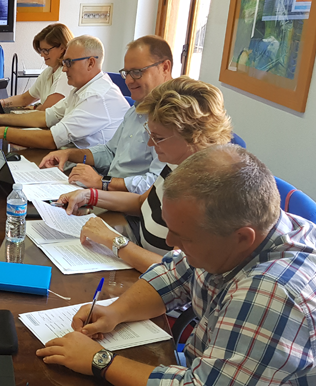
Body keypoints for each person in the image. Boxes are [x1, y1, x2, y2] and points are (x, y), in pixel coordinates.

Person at [37, 145, 316, 386]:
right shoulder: (259, 228)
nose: (173, 244)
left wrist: (99, 360)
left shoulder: (276, 292)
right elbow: (176, 271)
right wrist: (116, 311)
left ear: (242, 238)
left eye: (184, 238)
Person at [56, 77, 232, 273]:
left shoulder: (208, 191)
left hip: (152, 274)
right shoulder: (178, 163)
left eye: (157, 138)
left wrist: (115, 242)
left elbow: (180, 274)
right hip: (134, 252)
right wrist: (90, 195)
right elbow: (142, 202)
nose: (150, 145)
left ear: (193, 135)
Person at [39, 35, 173, 194]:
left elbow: (155, 185)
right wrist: (68, 154)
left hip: (130, 205)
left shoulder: (173, 118)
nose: (128, 81)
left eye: (137, 72)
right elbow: (110, 152)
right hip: (110, 192)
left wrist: (101, 182)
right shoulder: (137, 108)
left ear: (165, 67)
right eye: (127, 73)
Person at [0, 35, 128, 150]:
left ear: (91, 63)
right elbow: (45, 117)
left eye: (69, 63)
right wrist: (0, 118)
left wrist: (2, 132)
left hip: (93, 170)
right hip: (74, 156)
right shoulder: (81, 90)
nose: (64, 69)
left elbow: (53, 139)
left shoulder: (96, 96)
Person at [0, 23, 73, 111]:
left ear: (62, 48)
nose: (42, 55)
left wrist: (34, 108)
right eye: (41, 50)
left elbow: (46, 111)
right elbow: (24, 99)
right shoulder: (48, 72)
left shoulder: (66, 74)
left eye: (46, 50)